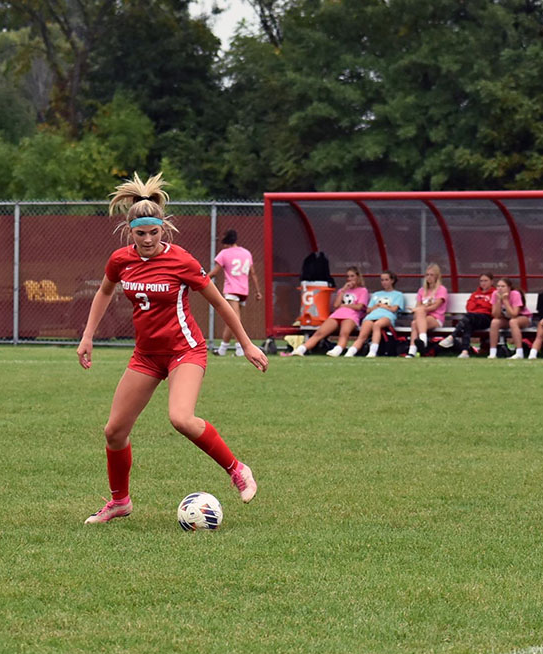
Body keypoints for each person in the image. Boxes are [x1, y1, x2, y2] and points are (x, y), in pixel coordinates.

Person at [77, 173, 268, 524]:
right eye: (140, 233)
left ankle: (237, 469)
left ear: (164, 228)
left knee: (180, 418)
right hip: (147, 356)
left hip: (185, 350)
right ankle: (120, 502)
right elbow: (104, 291)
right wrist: (88, 335)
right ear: (129, 231)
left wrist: (247, 343)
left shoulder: (181, 260)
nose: (148, 239)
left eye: (154, 232)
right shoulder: (121, 260)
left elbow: (221, 303)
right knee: (114, 431)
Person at [281, 267, 369, 357]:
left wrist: (344, 306)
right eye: (348, 276)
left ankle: (337, 350)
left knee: (344, 333)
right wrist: (343, 290)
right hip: (337, 314)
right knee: (319, 333)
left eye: (352, 276)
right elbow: (336, 305)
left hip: (351, 316)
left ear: (358, 277)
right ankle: (300, 349)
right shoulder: (342, 291)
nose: (349, 279)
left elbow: (359, 306)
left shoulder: (363, 291)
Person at [207, 229, 262, 357]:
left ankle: (240, 348)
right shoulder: (246, 253)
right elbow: (252, 273)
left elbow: (215, 272)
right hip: (244, 290)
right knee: (232, 320)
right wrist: (258, 290)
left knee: (234, 320)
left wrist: (201, 279)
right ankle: (222, 348)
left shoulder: (224, 253)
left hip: (231, 289)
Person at [344, 270, 405, 357]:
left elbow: (394, 309)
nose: (384, 282)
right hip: (372, 315)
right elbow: (368, 310)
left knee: (377, 325)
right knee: (363, 334)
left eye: (386, 280)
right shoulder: (377, 294)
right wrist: (375, 307)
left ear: (392, 281)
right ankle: (351, 352)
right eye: (382, 280)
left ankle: (372, 351)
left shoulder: (398, 295)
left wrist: (382, 306)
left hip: (387, 316)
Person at [438, 272, 494, 358]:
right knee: (468, 324)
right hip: (473, 317)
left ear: (491, 282)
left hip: (486, 318)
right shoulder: (475, 294)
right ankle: (465, 351)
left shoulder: (494, 293)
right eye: (481, 281)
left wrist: (478, 303)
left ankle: (452, 337)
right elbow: (469, 307)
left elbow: (490, 307)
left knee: (468, 318)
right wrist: (482, 304)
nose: (483, 283)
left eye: (486, 280)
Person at [405, 264, 448, 358]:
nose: (429, 277)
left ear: (437, 276)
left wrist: (420, 308)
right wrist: (420, 308)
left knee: (419, 313)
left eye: (431, 275)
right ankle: (412, 351)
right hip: (422, 318)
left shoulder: (441, 289)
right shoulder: (422, 290)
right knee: (414, 323)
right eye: (427, 275)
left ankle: (422, 342)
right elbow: (419, 306)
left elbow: (435, 306)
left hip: (436, 318)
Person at [487, 277, 532, 359]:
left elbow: (514, 314)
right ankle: (492, 353)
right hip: (506, 318)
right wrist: (498, 301)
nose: (500, 289)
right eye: (498, 286)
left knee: (513, 322)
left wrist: (505, 301)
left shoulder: (515, 294)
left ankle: (519, 352)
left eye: (503, 286)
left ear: (509, 288)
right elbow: (495, 315)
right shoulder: (495, 294)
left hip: (522, 318)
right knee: (494, 322)